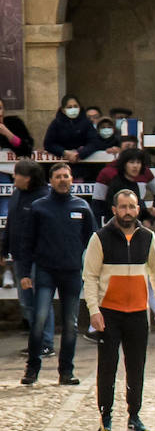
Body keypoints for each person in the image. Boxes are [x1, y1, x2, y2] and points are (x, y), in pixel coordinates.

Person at [82, 189, 155, 431]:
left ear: (138, 209)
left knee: (136, 366)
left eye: (132, 206)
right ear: (114, 210)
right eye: (123, 207)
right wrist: (93, 310)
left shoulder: (148, 237)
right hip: (109, 312)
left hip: (138, 312)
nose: (128, 211)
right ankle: (105, 417)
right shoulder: (99, 238)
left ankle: (134, 416)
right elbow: (90, 276)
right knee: (107, 367)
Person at [16, 162, 96, 386]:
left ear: (72, 179)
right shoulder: (39, 207)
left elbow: (93, 241)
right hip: (45, 271)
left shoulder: (82, 207)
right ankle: (32, 369)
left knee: (70, 325)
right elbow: (27, 242)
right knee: (39, 320)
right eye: (58, 176)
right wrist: (24, 273)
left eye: (66, 176)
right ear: (51, 181)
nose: (62, 180)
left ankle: (66, 372)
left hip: (72, 273)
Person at [3, 161, 54, 358]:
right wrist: (4, 249)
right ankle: (36, 340)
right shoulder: (16, 195)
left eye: (18, 174)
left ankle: (46, 342)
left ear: (29, 178)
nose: (14, 178)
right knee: (26, 303)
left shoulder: (43, 198)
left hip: (37, 259)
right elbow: (11, 224)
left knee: (41, 301)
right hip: (18, 257)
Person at [43, 94, 101, 163]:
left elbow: (94, 142)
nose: (73, 109)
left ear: (79, 108)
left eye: (75, 106)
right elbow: (48, 144)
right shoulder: (56, 123)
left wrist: (79, 154)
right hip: (61, 163)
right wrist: (64, 152)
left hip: (83, 163)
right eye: (69, 107)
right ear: (63, 110)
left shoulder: (87, 123)